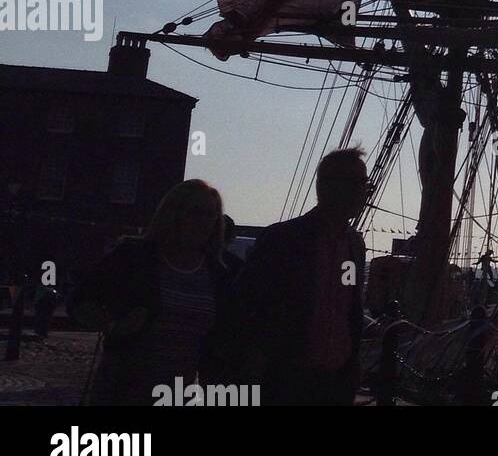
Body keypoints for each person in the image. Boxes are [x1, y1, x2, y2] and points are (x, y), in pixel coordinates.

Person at [72, 179, 233, 405]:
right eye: (196, 212)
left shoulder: (219, 272)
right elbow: (80, 303)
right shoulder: (135, 256)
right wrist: (113, 325)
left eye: (211, 214)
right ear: (175, 213)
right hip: (124, 388)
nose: (204, 222)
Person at [231, 147, 369, 405]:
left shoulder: (354, 245)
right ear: (326, 187)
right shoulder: (283, 239)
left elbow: (349, 306)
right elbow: (248, 302)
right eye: (357, 183)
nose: (364, 191)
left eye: (364, 183)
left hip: (335, 381)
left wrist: (352, 364)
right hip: (285, 376)